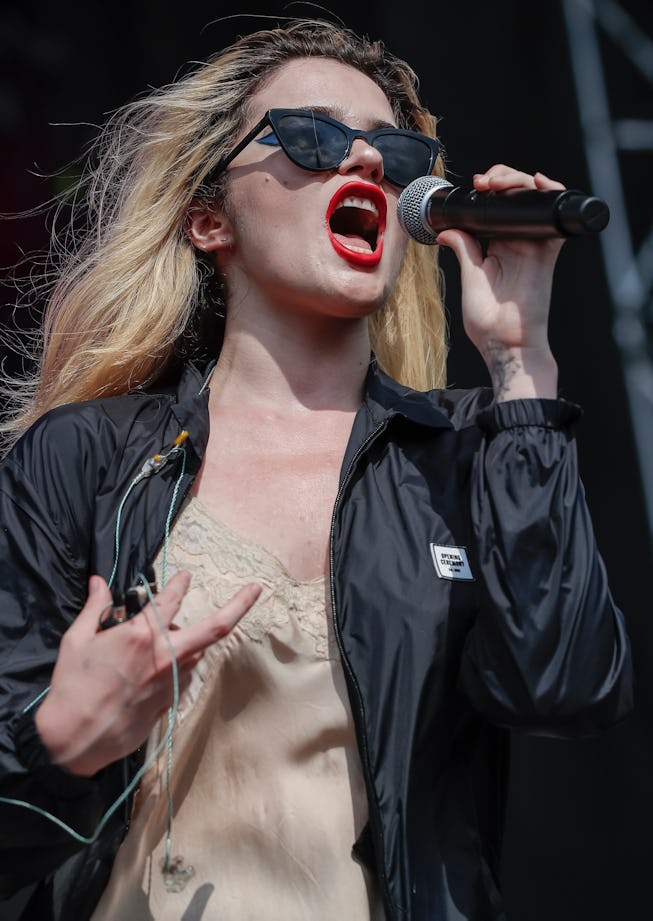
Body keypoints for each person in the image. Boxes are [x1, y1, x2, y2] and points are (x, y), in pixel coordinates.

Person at [0, 16, 633, 921]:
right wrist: (59, 742)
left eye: (393, 148)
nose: (366, 163)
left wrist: (519, 363)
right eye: (313, 138)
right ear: (208, 218)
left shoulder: (467, 451)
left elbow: (565, 685)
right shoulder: (90, 459)